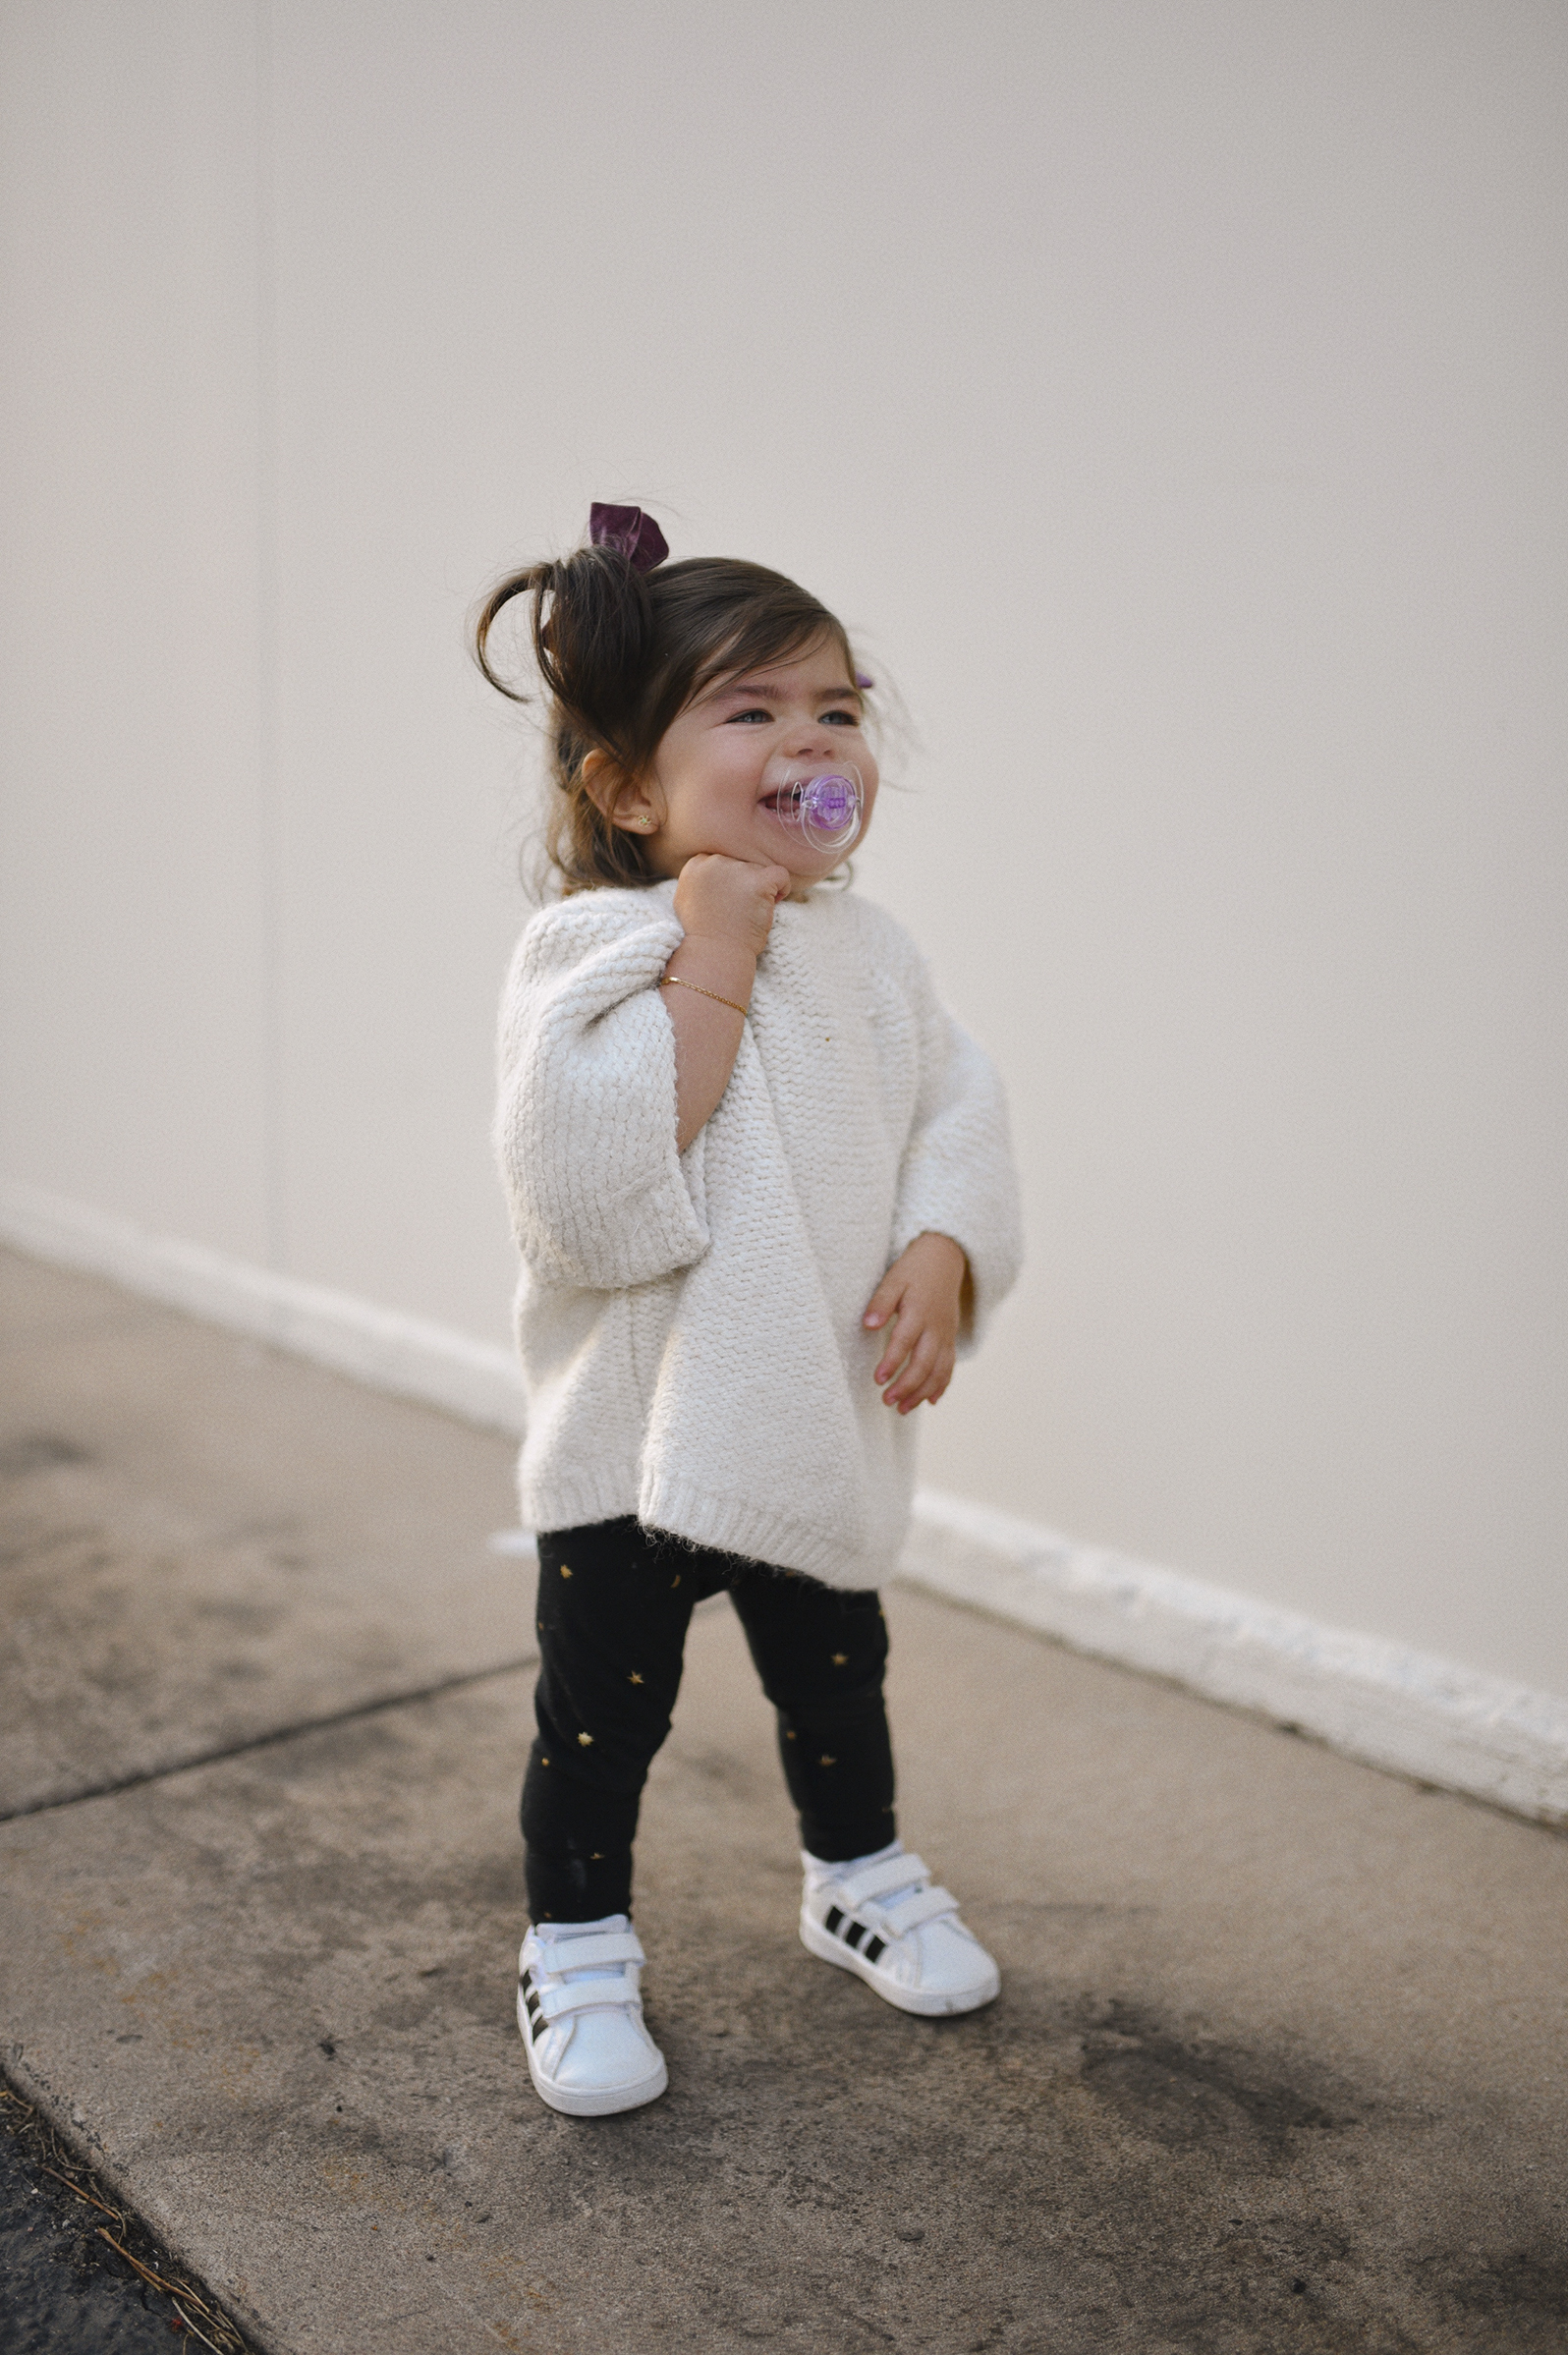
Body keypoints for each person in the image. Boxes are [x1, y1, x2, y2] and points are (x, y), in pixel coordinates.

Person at [476, 503, 1023, 2117]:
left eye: (837, 707)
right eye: (754, 707)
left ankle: (856, 1872)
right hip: (636, 1441)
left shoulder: (874, 954)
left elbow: (956, 1110)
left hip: (805, 1411)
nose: (811, 738)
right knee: (602, 1724)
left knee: (837, 1678)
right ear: (630, 787)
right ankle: (573, 1942)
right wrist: (708, 946)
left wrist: (945, 1244)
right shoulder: (593, 946)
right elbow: (594, 1185)